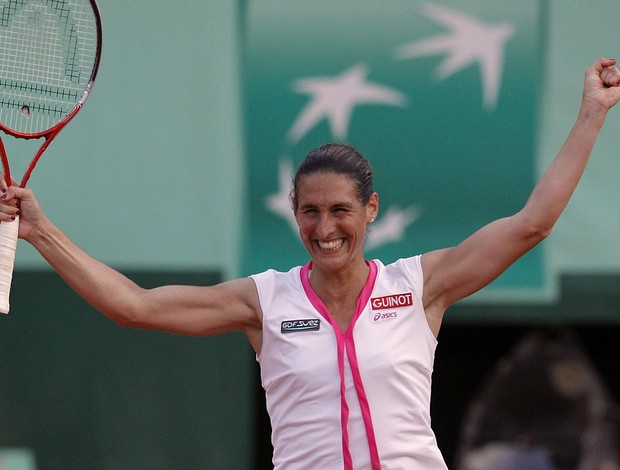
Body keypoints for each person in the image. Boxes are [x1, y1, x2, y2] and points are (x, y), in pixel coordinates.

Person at [1, 57, 619, 469]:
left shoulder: (419, 285)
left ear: (370, 209)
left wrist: (592, 113)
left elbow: (533, 223)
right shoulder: (263, 302)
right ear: (294, 213)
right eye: (310, 212)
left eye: (341, 210)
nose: (326, 230)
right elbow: (132, 308)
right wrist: (40, 230)